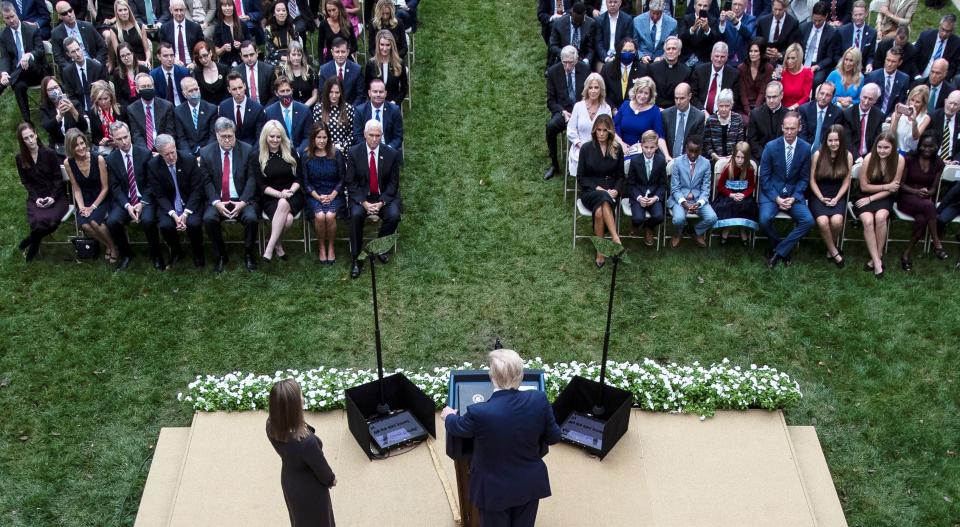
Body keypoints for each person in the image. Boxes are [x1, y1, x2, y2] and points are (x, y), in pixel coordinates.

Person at [440, 349, 561, 527]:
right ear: (520, 375)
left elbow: (457, 427)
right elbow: (554, 437)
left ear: (493, 377)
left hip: (492, 491)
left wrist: (449, 415)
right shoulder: (539, 400)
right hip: (528, 485)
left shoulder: (479, 412)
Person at [266, 378, 337, 527]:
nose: (302, 398)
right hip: (311, 490)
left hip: (290, 481)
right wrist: (332, 480)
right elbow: (323, 471)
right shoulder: (306, 442)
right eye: (300, 396)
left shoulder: (271, 425)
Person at [200, 117, 260, 272]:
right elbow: (206, 181)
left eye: (230, 136)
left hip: (241, 199)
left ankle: (248, 253)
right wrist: (215, 202)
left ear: (235, 134)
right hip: (219, 200)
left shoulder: (247, 150)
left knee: (252, 218)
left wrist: (243, 201)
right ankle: (220, 255)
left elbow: (252, 178)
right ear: (216, 134)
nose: (227, 140)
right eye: (223, 137)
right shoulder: (206, 153)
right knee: (209, 219)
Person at [104, 121, 165, 271]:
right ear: (113, 139)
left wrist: (142, 203)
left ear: (130, 135)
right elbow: (115, 187)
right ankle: (126, 254)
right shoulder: (111, 159)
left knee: (148, 220)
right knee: (112, 222)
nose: (124, 142)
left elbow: (152, 183)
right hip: (125, 201)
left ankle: (156, 255)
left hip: (145, 198)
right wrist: (127, 205)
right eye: (119, 139)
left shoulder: (144, 154)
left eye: (126, 137)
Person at [345, 119, 402, 279]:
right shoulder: (354, 153)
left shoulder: (391, 154)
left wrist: (381, 202)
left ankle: (379, 248)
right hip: (362, 197)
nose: (375, 139)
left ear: (381, 135)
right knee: (355, 216)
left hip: (383, 197)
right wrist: (364, 203)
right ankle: (356, 259)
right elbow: (351, 182)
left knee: (394, 216)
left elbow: (393, 183)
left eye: (378, 135)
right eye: (371, 135)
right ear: (364, 134)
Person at [758, 112, 813, 268]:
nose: (789, 132)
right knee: (764, 219)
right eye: (786, 128)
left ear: (799, 128)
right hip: (772, 193)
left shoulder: (805, 148)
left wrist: (794, 197)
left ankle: (778, 252)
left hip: (793, 195)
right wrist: (776, 198)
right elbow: (764, 178)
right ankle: (783, 250)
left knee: (808, 221)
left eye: (793, 129)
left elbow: (804, 178)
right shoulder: (771, 147)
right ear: (782, 127)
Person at [147, 134, 205, 266]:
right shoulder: (153, 166)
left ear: (175, 147)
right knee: (165, 225)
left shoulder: (189, 160)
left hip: (190, 202)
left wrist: (185, 214)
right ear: (160, 154)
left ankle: (198, 252)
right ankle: (176, 251)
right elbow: (160, 195)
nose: (172, 157)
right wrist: (173, 214)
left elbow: (197, 190)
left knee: (194, 224)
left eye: (173, 152)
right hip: (169, 204)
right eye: (167, 154)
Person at [16, 123, 69, 262]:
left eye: (31, 136)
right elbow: (26, 182)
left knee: (52, 222)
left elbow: (58, 178)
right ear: (22, 141)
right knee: (38, 221)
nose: (30, 140)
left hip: (56, 195)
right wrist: (36, 198)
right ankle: (35, 242)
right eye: (26, 138)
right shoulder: (20, 158)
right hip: (36, 197)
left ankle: (31, 241)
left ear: (36, 134)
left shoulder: (49, 153)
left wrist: (52, 197)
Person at [63, 127, 118, 263]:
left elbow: (105, 188)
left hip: (102, 196)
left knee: (94, 221)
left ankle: (113, 248)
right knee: (85, 225)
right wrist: (82, 207)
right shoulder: (68, 163)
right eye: (76, 146)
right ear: (70, 148)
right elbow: (76, 188)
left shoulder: (97, 159)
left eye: (82, 143)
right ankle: (110, 245)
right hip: (85, 197)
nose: (81, 147)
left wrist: (92, 207)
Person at [853, 131, 903, 277]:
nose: (882, 151)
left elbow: (894, 189)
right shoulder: (869, 158)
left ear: (893, 148)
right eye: (879, 147)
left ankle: (876, 258)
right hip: (864, 195)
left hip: (885, 197)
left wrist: (876, 196)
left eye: (886, 148)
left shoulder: (899, 160)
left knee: (881, 218)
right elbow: (864, 187)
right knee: (868, 221)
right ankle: (877, 261)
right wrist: (885, 187)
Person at [577, 114, 624, 267]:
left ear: (610, 131)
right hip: (590, 191)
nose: (602, 133)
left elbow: (621, 176)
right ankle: (615, 238)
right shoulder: (586, 148)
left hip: (610, 191)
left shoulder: (617, 149)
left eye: (605, 130)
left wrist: (616, 190)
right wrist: (597, 188)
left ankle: (600, 251)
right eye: (599, 130)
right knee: (602, 197)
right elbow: (581, 177)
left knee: (599, 213)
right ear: (594, 130)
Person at [897, 132, 949, 270]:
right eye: (924, 146)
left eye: (930, 147)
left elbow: (934, 189)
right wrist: (915, 192)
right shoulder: (909, 158)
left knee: (922, 220)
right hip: (906, 197)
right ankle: (937, 243)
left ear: (936, 147)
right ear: (920, 146)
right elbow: (901, 184)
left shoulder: (938, 163)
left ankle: (906, 254)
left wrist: (927, 192)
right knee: (929, 206)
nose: (927, 149)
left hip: (924, 201)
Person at [257, 120, 303, 262]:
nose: (275, 140)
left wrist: (289, 191)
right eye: (272, 136)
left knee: (283, 203)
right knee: (288, 219)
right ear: (265, 136)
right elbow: (261, 185)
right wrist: (279, 194)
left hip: (293, 193)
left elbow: (299, 178)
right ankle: (277, 245)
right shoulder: (258, 156)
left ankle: (269, 247)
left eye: (278, 137)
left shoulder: (290, 152)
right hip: (270, 196)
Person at [807, 124, 851, 267]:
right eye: (830, 140)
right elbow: (812, 180)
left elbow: (846, 181)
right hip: (819, 193)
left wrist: (837, 198)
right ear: (825, 141)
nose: (833, 143)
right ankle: (834, 251)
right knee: (823, 221)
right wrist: (820, 197)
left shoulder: (847, 156)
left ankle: (829, 247)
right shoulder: (818, 155)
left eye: (836, 140)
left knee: (837, 221)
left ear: (841, 140)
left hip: (837, 194)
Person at [544, 45, 589, 180]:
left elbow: (589, 94)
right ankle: (554, 164)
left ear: (576, 60)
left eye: (571, 62)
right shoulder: (553, 72)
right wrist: (562, 112)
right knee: (550, 127)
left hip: (582, 110)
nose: (568, 66)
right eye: (565, 62)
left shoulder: (585, 69)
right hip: (563, 112)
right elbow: (550, 101)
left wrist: (580, 111)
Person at [303, 122, 344, 264]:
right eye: (318, 137)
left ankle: (331, 246)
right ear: (313, 138)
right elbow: (305, 182)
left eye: (324, 137)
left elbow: (342, 179)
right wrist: (317, 196)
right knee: (320, 216)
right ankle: (321, 246)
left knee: (330, 215)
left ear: (328, 138)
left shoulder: (336, 154)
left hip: (334, 193)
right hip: (314, 194)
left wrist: (332, 195)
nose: (322, 141)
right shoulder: (306, 155)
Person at [0, 3, 47, 124]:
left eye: (12, 16)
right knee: (19, 87)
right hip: (20, 77)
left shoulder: (31, 29)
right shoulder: (4, 35)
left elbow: (40, 50)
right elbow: (5, 57)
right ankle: (27, 122)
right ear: (3, 18)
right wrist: (4, 73)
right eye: (7, 18)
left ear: (16, 13)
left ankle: (5, 84)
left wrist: (28, 55)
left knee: (27, 63)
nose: (11, 20)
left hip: (36, 71)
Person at [668, 134, 717, 247]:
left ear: (701, 150)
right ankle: (679, 233)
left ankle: (695, 231)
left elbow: (706, 188)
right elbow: (675, 188)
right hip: (680, 199)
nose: (693, 155)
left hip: (698, 199)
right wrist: (684, 204)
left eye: (697, 151)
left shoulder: (706, 163)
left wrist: (699, 203)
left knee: (712, 218)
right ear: (686, 148)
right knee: (678, 219)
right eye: (690, 151)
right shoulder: (678, 162)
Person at [712, 141, 758, 244]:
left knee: (744, 206)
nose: (740, 160)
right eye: (738, 157)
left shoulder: (749, 169)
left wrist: (744, 194)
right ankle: (726, 230)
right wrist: (731, 195)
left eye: (743, 158)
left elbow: (751, 186)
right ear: (734, 156)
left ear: (747, 158)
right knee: (731, 206)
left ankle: (742, 230)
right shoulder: (728, 168)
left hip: (743, 196)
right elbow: (720, 186)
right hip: (728, 195)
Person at [625, 130, 666, 245]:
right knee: (638, 218)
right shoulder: (635, 161)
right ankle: (635, 224)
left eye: (652, 147)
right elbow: (631, 184)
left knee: (659, 216)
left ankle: (649, 227)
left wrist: (656, 198)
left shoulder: (661, 161)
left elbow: (663, 184)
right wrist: (639, 198)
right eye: (646, 147)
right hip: (638, 195)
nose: (648, 150)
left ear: (656, 147)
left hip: (653, 196)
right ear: (641, 146)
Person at [567, 73, 612, 176]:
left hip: (601, 148)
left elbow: (609, 132)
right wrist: (580, 145)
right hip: (580, 148)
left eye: (596, 87)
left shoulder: (606, 108)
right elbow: (571, 130)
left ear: (601, 89)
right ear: (586, 89)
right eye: (590, 87)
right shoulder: (578, 106)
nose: (593, 91)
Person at [614, 76, 668, 160]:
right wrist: (622, 144)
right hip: (622, 148)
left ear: (650, 95)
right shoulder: (625, 105)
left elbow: (660, 136)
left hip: (642, 152)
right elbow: (612, 129)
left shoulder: (654, 111)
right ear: (635, 91)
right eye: (640, 92)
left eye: (646, 93)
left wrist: (666, 155)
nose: (642, 96)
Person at [50, 1, 108, 72]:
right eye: (65, 13)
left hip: (93, 64)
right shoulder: (56, 33)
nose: (69, 14)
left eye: (70, 10)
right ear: (60, 16)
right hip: (73, 69)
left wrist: (97, 61)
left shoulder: (88, 26)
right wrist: (72, 68)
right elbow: (58, 57)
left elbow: (103, 46)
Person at [127, 73, 175, 152]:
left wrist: (162, 150)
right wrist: (147, 153)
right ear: (137, 89)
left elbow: (170, 132)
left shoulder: (166, 106)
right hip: (144, 150)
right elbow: (136, 135)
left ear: (153, 87)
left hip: (164, 149)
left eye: (149, 86)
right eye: (143, 87)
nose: (147, 89)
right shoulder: (132, 109)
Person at [352, 77, 403, 152]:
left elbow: (398, 137)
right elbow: (357, 136)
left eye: (381, 92)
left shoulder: (394, 110)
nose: (378, 94)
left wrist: (388, 149)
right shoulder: (360, 111)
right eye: (375, 92)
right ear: (369, 93)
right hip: (367, 152)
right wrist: (369, 149)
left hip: (389, 151)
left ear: (385, 93)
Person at [690, 41, 740, 116]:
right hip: (700, 113)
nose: (719, 59)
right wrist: (702, 111)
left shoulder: (734, 74)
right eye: (716, 56)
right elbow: (692, 95)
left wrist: (721, 114)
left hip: (723, 115)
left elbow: (734, 99)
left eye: (722, 57)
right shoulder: (699, 70)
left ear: (726, 58)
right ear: (711, 56)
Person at [798, 2, 841, 88]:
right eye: (815, 20)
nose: (817, 23)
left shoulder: (832, 33)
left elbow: (830, 57)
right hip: (801, 61)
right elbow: (797, 47)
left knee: (816, 80)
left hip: (819, 64)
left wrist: (818, 66)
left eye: (820, 20)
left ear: (826, 16)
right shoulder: (804, 28)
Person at [61, 37, 108, 114]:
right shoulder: (67, 72)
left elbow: (105, 88)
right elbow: (71, 96)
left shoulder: (97, 67)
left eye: (78, 49)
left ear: (81, 47)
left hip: (98, 107)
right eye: (73, 52)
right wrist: (81, 113)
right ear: (68, 54)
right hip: (80, 109)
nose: (77, 54)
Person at [38, 77, 84, 153]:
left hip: (77, 145)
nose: (55, 91)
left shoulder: (74, 103)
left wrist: (73, 110)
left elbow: (84, 126)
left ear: (60, 87)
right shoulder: (45, 109)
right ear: (46, 93)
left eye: (56, 87)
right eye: (50, 89)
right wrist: (59, 116)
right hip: (58, 147)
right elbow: (48, 127)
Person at [264, 75, 310, 150]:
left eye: (288, 90)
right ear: (276, 93)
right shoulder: (269, 112)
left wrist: (298, 152)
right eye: (282, 91)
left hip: (300, 152)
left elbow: (308, 136)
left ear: (292, 90)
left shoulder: (304, 110)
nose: (285, 94)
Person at [174, 76, 217, 155]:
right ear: (184, 94)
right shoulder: (178, 112)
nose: (195, 93)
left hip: (208, 152)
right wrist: (189, 156)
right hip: (189, 152)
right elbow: (181, 138)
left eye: (196, 89)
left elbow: (213, 136)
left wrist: (205, 154)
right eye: (190, 91)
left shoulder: (211, 109)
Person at [662, 82, 704, 162]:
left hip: (688, 161)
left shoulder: (699, 117)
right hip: (667, 160)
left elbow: (697, 144)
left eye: (682, 98)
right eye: (676, 98)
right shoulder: (665, 114)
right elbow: (661, 139)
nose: (678, 102)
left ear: (689, 96)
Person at [103, 0, 151, 69]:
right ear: (117, 13)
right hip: (124, 62)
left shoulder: (140, 26)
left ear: (129, 10)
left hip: (142, 60)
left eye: (125, 9)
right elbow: (118, 54)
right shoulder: (114, 30)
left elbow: (147, 49)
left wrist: (147, 60)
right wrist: (137, 62)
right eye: (120, 10)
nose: (123, 13)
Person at [365, 29, 408, 105]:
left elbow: (404, 89)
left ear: (392, 45)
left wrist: (394, 102)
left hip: (393, 105)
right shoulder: (371, 64)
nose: (385, 48)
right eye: (382, 44)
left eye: (388, 45)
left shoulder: (399, 63)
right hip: (375, 104)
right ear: (378, 45)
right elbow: (366, 87)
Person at [317, 37, 365, 106]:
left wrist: (349, 110)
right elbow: (322, 94)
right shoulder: (324, 70)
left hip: (351, 110)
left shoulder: (357, 70)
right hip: (330, 110)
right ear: (332, 52)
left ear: (348, 52)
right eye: (337, 52)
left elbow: (361, 96)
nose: (340, 55)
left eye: (343, 52)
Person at [647, 36, 691, 109]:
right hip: (654, 108)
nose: (671, 51)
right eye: (668, 49)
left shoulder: (686, 71)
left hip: (675, 109)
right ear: (665, 51)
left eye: (674, 49)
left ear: (679, 52)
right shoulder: (652, 68)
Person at [842, 82, 882, 160]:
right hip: (851, 156)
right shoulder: (848, 114)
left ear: (875, 101)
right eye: (864, 97)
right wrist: (858, 159)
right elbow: (847, 141)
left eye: (870, 99)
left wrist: (869, 158)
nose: (866, 102)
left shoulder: (879, 116)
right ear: (860, 96)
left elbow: (877, 141)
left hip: (870, 157)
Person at [600, 37, 643, 111]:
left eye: (631, 51)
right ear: (619, 51)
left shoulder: (643, 69)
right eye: (625, 51)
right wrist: (612, 109)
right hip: (611, 110)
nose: (627, 53)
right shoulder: (607, 68)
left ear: (635, 52)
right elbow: (602, 92)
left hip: (633, 111)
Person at [747, 80, 786, 161]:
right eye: (768, 97)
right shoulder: (755, 114)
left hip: (782, 158)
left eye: (774, 97)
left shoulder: (788, 115)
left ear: (781, 95)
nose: (771, 100)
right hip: (760, 157)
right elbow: (752, 140)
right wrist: (764, 157)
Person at [864, 46, 908, 117]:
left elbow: (901, 102)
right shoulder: (872, 76)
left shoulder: (904, 79)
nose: (889, 64)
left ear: (900, 63)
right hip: (872, 116)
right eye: (888, 60)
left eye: (893, 61)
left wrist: (891, 117)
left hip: (891, 117)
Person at [549, 2, 597, 67]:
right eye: (575, 21)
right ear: (571, 13)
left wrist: (587, 60)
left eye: (580, 22)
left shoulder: (591, 24)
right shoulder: (559, 24)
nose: (577, 24)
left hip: (582, 59)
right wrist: (565, 54)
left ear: (585, 14)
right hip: (564, 58)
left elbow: (591, 48)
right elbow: (553, 45)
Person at [703, 89, 745, 162]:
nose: (723, 109)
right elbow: (707, 144)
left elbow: (740, 143)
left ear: (731, 105)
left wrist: (733, 156)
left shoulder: (737, 119)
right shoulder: (711, 120)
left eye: (727, 106)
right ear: (717, 105)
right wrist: (716, 157)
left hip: (734, 160)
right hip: (714, 160)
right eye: (721, 106)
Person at [313, 77, 355, 150]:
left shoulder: (349, 108)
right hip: (324, 149)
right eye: (331, 92)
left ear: (341, 93)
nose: (334, 96)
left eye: (337, 92)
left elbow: (352, 133)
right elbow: (316, 132)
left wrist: (343, 146)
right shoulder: (318, 108)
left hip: (343, 150)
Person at [159, 0, 204, 68]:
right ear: (171, 10)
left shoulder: (195, 27)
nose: (179, 13)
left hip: (193, 64)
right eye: (176, 10)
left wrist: (195, 62)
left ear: (185, 10)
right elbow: (163, 49)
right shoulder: (165, 28)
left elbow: (202, 47)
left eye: (181, 10)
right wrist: (173, 60)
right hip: (173, 65)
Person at [798, 81, 842, 150]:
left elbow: (834, 137)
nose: (823, 97)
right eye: (822, 93)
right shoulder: (804, 109)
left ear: (832, 97)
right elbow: (802, 135)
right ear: (817, 93)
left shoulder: (837, 113)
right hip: (806, 149)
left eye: (827, 95)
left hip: (826, 150)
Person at [915, 15, 960, 81]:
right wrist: (917, 76)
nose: (944, 34)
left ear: (953, 30)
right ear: (939, 26)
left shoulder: (956, 43)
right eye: (943, 29)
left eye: (948, 31)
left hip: (940, 81)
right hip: (919, 76)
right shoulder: (926, 37)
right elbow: (913, 57)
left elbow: (953, 67)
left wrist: (942, 81)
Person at [593, 0, 633, 72]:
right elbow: (598, 42)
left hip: (621, 56)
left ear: (620, 3)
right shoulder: (599, 20)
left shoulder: (627, 20)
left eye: (615, 2)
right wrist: (606, 58)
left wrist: (617, 57)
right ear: (606, 3)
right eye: (610, 2)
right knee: (603, 72)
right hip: (603, 58)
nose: (612, 5)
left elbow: (627, 41)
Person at [737, 37, 774, 115]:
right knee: (746, 121)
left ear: (762, 52)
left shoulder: (769, 68)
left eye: (756, 51)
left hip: (761, 106)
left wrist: (755, 112)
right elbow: (742, 93)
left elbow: (762, 93)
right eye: (751, 51)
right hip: (744, 107)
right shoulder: (741, 68)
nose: (752, 54)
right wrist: (748, 111)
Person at [890, 85, 930, 155]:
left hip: (911, 155)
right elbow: (891, 135)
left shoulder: (925, 118)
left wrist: (914, 121)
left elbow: (915, 137)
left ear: (923, 103)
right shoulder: (899, 113)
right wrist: (896, 118)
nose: (913, 104)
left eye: (917, 102)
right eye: (912, 100)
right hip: (894, 152)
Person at [232, 40, 276, 105]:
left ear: (257, 53)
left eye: (251, 54)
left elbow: (274, 95)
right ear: (241, 56)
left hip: (265, 108)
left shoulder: (268, 70)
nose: (249, 58)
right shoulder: (235, 71)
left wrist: (266, 110)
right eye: (245, 56)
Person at [837, 1, 876, 73]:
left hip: (861, 69)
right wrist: (845, 65)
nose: (857, 18)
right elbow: (836, 55)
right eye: (855, 15)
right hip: (844, 68)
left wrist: (869, 64)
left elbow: (871, 55)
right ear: (852, 15)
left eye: (860, 15)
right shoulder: (842, 31)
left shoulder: (872, 33)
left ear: (866, 14)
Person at [633, 0, 676, 64]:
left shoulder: (672, 23)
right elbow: (634, 44)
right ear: (649, 10)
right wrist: (641, 56)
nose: (655, 17)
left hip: (662, 61)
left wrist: (662, 57)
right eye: (653, 13)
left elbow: (673, 46)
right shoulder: (637, 21)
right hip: (642, 61)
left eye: (658, 14)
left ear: (662, 11)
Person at [679, 0, 719, 67]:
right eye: (699, 5)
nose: (702, 8)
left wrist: (707, 29)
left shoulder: (713, 21)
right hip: (686, 58)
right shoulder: (686, 18)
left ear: (709, 8)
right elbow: (681, 37)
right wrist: (693, 28)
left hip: (703, 60)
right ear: (694, 6)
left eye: (705, 6)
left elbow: (715, 41)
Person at [211, 0, 250, 67]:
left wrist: (241, 45)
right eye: (224, 6)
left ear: (233, 7)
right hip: (226, 62)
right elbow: (217, 52)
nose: (227, 8)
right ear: (220, 8)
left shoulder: (242, 24)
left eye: (229, 5)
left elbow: (250, 43)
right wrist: (223, 48)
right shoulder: (218, 27)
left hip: (242, 60)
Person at [717, 0, 756, 67]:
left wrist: (736, 22)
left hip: (744, 61)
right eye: (735, 4)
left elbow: (748, 34)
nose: (736, 8)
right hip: (726, 60)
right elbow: (718, 38)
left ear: (745, 6)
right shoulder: (723, 19)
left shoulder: (751, 19)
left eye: (740, 5)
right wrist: (722, 24)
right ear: (731, 5)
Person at [112, 42, 150, 107]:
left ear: (132, 54)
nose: (126, 58)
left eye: (128, 54)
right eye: (123, 56)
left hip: (144, 104)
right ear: (120, 58)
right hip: (127, 107)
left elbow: (148, 90)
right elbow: (119, 96)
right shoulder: (117, 73)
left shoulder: (143, 69)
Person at [264, 0, 301, 66]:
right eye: (278, 10)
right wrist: (285, 58)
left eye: (284, 10)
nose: (281, 13)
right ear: (274, 13)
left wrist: (292, 57)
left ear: (287, 12)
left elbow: (297, 46)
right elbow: (270, 52)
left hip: (292, 56)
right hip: (275, 58)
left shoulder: (293, 27)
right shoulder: (268, 29)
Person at [778, 43, 812, 109]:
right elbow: (776, 91)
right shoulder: (781, 70)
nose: (789, 61)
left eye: (793, 58)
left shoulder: (807, 73)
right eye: (788, 58)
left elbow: (806, 97)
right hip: (781, 107)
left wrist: (792, 108)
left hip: (798, 108)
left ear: (799, 58)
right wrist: (775, 80)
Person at [283, 40, 317, 106]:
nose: (296, 58)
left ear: (302, 56)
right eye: (293, 54)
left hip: (308, 107)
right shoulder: (284, 72)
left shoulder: (310, 71)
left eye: (299, 55)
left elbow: (315, 96)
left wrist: (304, 107)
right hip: (291, 107)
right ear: (288, 55)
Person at [930, 90, 960, 164]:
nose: (951, 107)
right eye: (950, 103)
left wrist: (956, 161)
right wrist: (939, 161)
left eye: (955, 104)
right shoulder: (933, 117)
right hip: (933, 161)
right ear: (945, 101)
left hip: (953, 163)